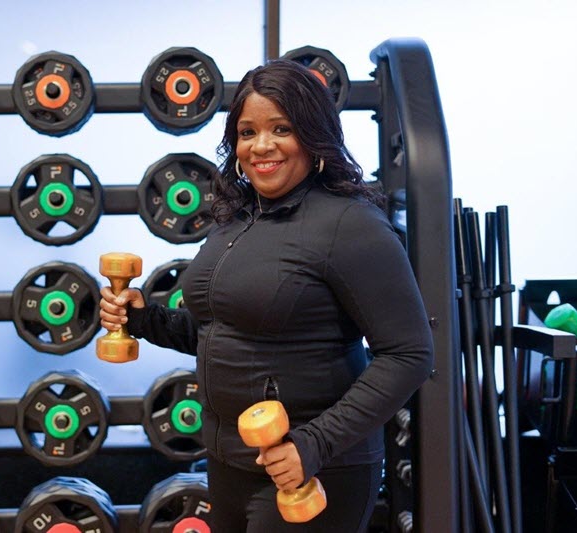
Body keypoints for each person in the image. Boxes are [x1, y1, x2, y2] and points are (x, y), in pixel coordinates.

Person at [99, 59, 434, 532]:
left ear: (315, 135)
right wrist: (143, 319)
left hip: (310, 469)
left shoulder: (350, 225)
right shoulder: (235, 218)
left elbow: (409, 353)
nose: (261, 146)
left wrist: (313, 443)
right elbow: (218, 329)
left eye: (281, 128)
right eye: (247, 131)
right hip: (227, 462)